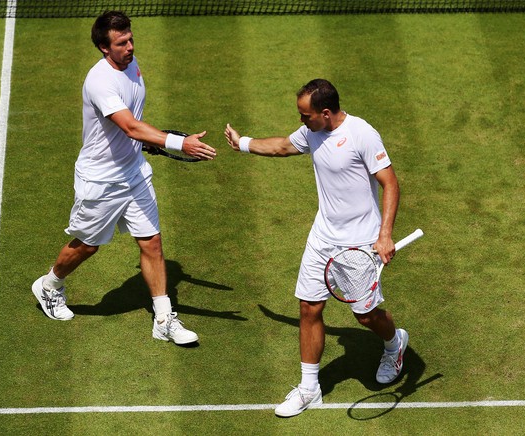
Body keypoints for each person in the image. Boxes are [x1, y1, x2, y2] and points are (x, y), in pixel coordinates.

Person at [32, 11, 216, 345]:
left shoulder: (131, 64)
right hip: (101, 180)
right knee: (88, 245)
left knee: (152, 242)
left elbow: (133, 124)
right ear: (104, 48)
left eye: (131, 39)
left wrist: (145, 144)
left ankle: (164, 318)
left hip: (133, 172)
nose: (130, 47)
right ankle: (49, 286)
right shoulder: (99, 82)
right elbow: (129, 126)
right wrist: (179, 143)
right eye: (121, 43)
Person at [225, 79, 407, 417]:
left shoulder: (362, 134)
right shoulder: (312, 131)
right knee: (309, 308)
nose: (301, 122)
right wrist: (244, 143)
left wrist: (384, 235)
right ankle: (309, 389)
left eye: (305, 116)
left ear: (325, 112)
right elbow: (282, 146)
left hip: (359, 244)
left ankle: (394, 343)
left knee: (365, 316)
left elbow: (390, 183)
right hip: (322, 238)